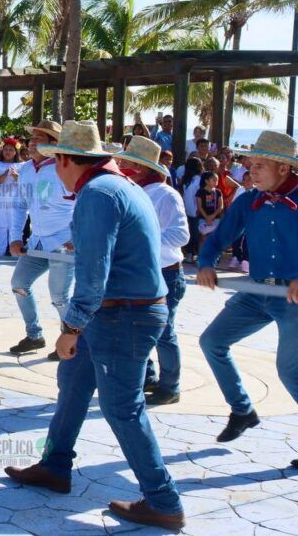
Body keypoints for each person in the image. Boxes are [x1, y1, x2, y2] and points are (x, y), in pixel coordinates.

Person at [4, 121, 184, 530]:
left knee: (122, 407)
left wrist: (71, 326)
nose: (55, 170)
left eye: (56, 162)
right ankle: (54, 465)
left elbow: (93, 271)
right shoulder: (117, 186)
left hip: (124, 314)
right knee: (72, 385)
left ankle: (164, 500)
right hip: (120, 310)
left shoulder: (97, 194)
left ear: (66, 160)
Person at [196, 131, 298, 466]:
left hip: (292, 298)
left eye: (259, 166)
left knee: (289, 370)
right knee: (212, 341)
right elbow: (219, 236)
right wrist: (206, 262)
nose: (250, 171)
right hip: (256, 291)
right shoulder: (248, 200)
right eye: (250, 165)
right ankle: (242, 410)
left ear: (283, 168)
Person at [115, 136, 190, 406]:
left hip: (165, 272)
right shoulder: (132, 190)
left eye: (127, 161)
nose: (121, 163)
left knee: (164, 331)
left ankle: (171, 386)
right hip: (141, 272)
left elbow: (181, 235)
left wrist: (145, 240)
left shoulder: (166, 194)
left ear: (142, 166)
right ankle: (148, 378)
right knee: (139, 326)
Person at [7, 121, 76, 361]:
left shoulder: (64, 166)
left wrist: (77, 236)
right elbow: (19, 205)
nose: (32, 142)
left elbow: (83, 204)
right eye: (31, 138)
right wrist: (15, 237)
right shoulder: (26, 169)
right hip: (37, 242)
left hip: (64, 241)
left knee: (60, 297)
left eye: (40, 138)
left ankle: (70, 342)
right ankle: (34, 335)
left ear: (54, 144)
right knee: (19, 283)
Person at [0, 138, 23, 256]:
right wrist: (3, 176)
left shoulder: (23, 165)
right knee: (2, 226)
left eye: (11, 150)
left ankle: (14, 252)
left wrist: (17, 177)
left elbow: (26, 183)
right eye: (6, 149)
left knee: (14, 227)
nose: (8, 152)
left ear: (15, 152)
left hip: (16, 201)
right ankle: (0, 252)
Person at [178, 156, 204, 264]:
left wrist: (199, 209)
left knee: (196, 233)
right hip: (187, 210)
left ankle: (195, 254)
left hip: (196, 210)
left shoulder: (200, 179)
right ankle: (189, 253)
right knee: (189, 232)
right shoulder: (186, 180)